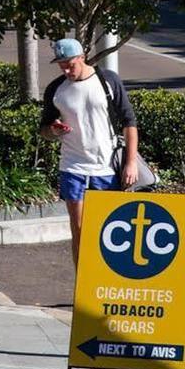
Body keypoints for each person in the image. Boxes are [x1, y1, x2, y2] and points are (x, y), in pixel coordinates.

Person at [39, 37, 139, 267]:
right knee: (80, 230)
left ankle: (107, 283)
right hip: (73, 167)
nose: (66, 69)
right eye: (61, 64)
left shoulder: (107, 81)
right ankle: (83, 286)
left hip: (106, 167)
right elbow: (44, 129)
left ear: (82, 57)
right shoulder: (56, 89)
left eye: (70, 63)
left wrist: (131, 162)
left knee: (111, 233)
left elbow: (129, 122)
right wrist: (53, 131)